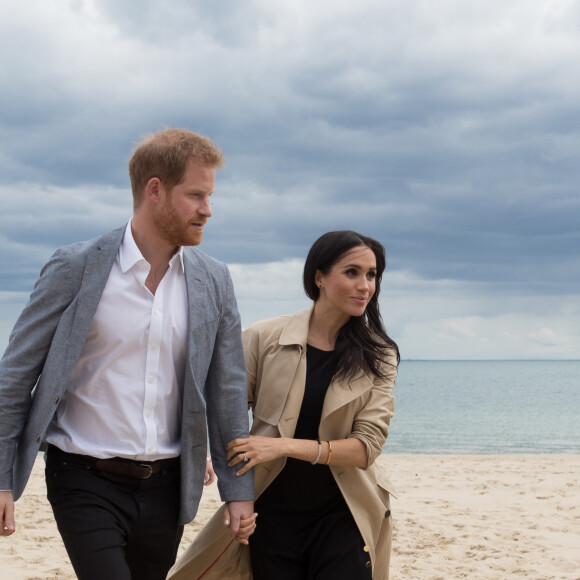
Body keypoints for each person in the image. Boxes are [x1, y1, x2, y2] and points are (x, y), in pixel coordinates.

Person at [0, 128, 256, 580]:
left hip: (170, 487)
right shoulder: (75, 267)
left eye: (210, 196)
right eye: (196, 195)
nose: (207, 210)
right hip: (82, 477)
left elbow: (228, 388)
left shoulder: (214, 280)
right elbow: (16, 374)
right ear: (154, 190)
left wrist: (239, 491)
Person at [168, 230, 399, 580]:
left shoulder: (378, 355)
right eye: (352, 272)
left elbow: (366, 448)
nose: (365, 285)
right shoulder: (264, 338)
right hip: (270, 512)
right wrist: (206, 457)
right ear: (319, 277)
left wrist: (282, 446)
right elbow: (223, 412)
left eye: (372, 275)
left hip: (345, 512)